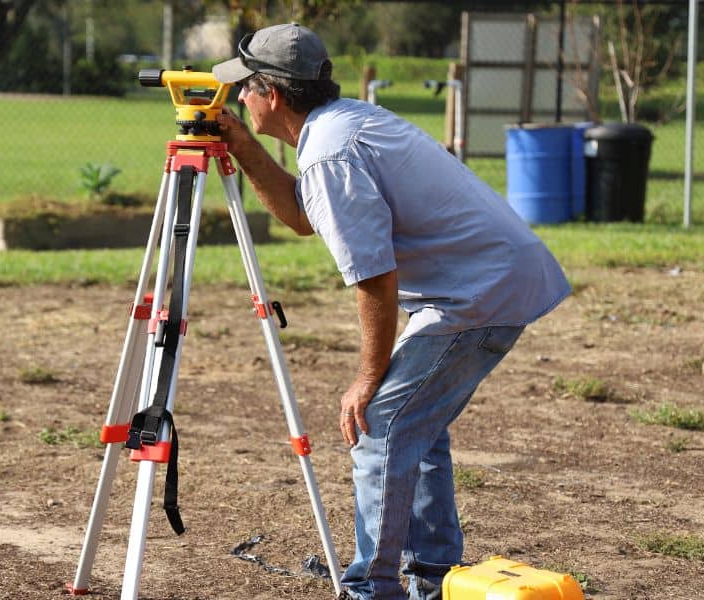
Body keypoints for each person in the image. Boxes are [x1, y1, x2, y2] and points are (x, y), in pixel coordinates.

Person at [212, 23, 571, 600]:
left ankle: (372, 589)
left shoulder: (331, 152)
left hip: (474, 295)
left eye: (243, 89)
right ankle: (433, 578)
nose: (236, 99)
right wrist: (245, 148)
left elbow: (375, 276)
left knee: (379, 425)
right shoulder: (344, 123)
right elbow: (305, 217)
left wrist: (366, 378)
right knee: (416, 429)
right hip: (487, 281)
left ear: (271, 95)